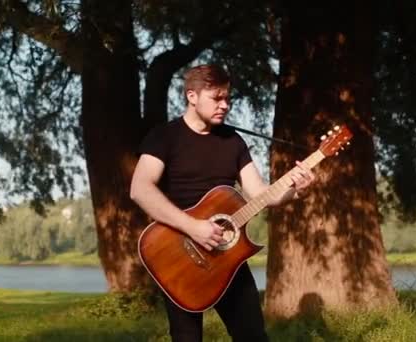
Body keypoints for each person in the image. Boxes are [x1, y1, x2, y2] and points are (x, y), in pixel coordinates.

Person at [129, 64, 315, 342]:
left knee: (253, 336)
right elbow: (140, 189)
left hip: (229, 257)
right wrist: (193, 228)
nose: (225, 105)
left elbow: (261, 194)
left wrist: (296, 190)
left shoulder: (233, 142)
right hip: (178, 255)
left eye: (228, 98)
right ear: (192, 96)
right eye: (217, 98)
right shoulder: (164, 137)